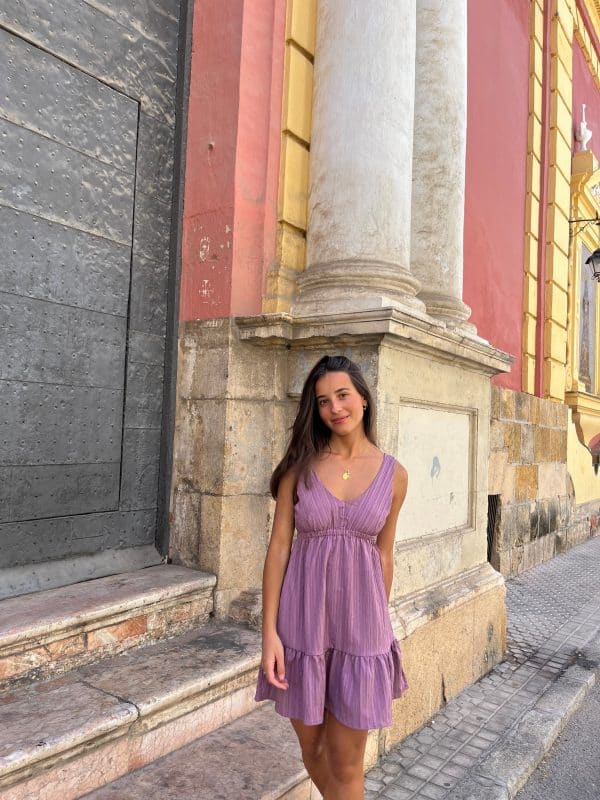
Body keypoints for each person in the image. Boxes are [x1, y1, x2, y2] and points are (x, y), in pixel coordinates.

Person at [254, 354, 409, 799]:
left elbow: (384, 554)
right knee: (313, 750)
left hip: (360, 633)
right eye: (323, 401)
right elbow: (278, 549)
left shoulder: (394, 475)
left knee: (346, 765)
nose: (334, 408)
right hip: (301, 629)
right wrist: (270, 634)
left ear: (363, 398)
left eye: (342, 395)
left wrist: (378, 627)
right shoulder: (299, 468)